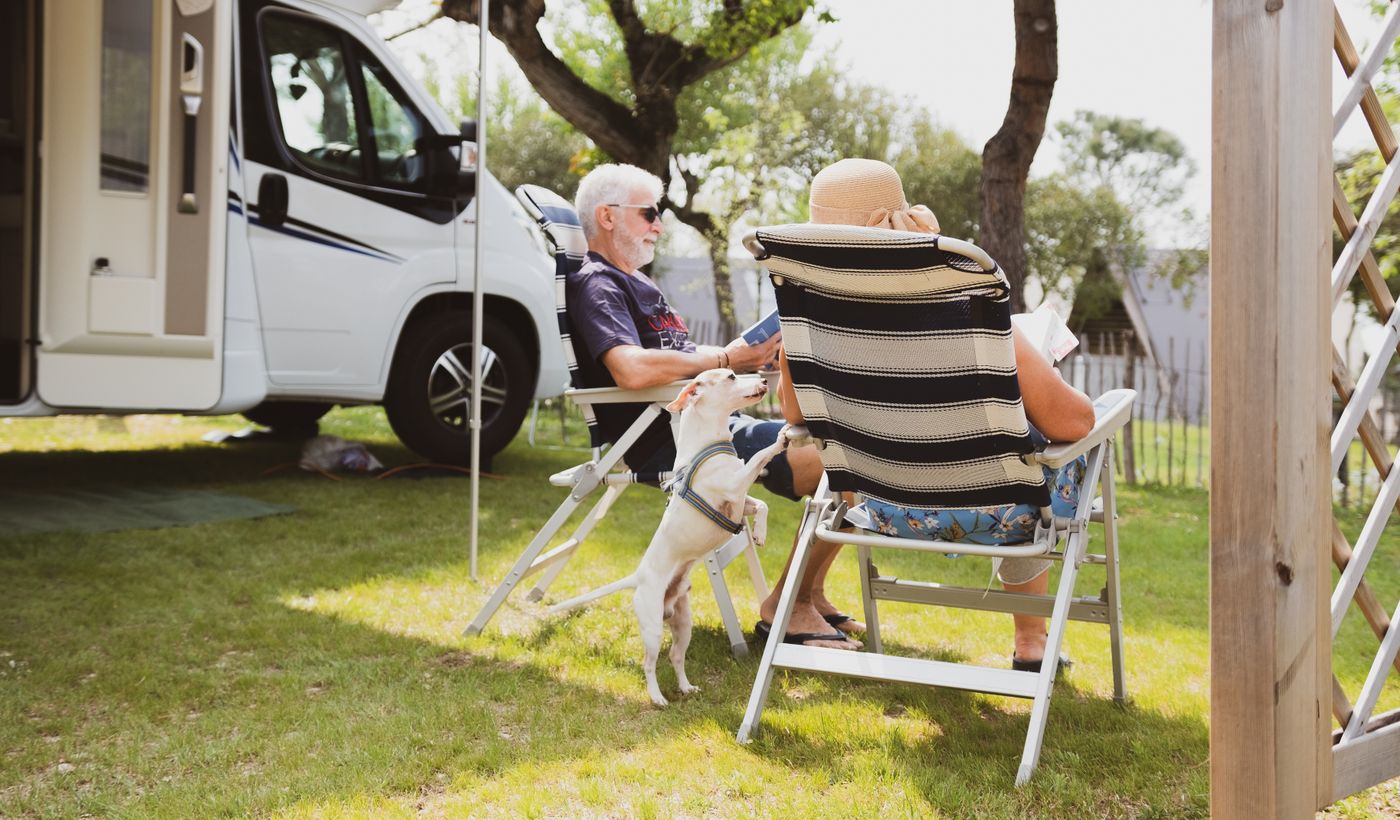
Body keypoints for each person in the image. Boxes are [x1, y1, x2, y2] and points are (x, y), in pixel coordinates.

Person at [776, 158, 1095, 670]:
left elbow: (795, 414)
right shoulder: (976, 319)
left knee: (1026, 444)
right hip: (998, 512)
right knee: (1049, 446)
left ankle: (1033, 641)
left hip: (877, 509)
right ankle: (1032, 641)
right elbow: (1074, 425)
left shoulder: (807, 328)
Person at [569, 163, 861, 649]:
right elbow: (630, 370)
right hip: (675, 443)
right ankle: (787, 606)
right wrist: (726, 358)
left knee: (852, 446)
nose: (659, 225)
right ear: (607, 216)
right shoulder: (598, 282)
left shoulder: (639, 285)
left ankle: (808, 593)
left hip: (713, 427)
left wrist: (743, 366)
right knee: (849, 462)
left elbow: (682, 365)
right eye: (649, 213)